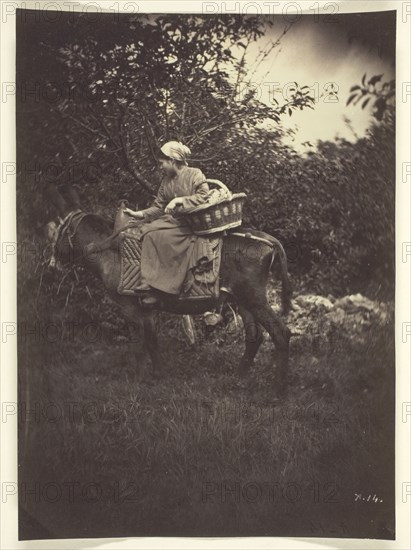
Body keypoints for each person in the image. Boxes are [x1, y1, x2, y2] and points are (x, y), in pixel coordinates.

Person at [123, 141, 211, 305]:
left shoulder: (194, 174)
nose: (161, 166)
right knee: (147, 230)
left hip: (190, 223)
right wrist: (139, 213)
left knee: (157, 236)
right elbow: (158, 207)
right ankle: (150, 283)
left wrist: (180, 201)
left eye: (163, 163)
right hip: (172, 221)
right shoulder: (166, 181)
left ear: (172, 160)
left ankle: (164, 288)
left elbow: (204, 196)